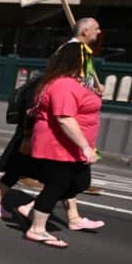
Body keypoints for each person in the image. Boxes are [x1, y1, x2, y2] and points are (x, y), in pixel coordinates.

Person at [0, 71, 102, 231]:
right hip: (33, 137)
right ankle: (6, 206)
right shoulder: (53, 83)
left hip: (38, 138)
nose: (81, 74)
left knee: (60, 178)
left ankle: (72, 217)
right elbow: (49, 112)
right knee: (23, 171)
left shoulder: (58, 82)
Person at [24, 41, 101, 249]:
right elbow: (65, 118)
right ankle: (37, 227)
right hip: (59, 145)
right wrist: (85, 146)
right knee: (58, 184)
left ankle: (33, 208)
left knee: (79, 182)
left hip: (70, 145)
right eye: (87, 60)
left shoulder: (69, 82)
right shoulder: (64, 84)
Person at [69, 17, 105, 95]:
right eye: (96, 29)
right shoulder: (73, 50)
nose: (99, 31)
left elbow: (84, 80)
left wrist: (92, 90)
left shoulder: (84, 50)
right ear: (85, 31)